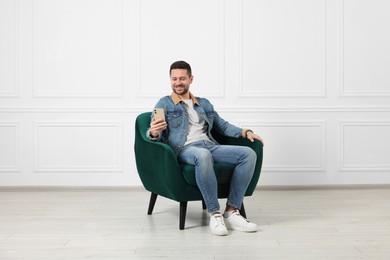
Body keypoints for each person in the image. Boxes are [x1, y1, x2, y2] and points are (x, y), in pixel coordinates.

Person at [146, 60, 264, 236]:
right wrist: (153, 133)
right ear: (170, 80)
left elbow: (222, 126)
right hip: (185, 149)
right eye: (174, 79)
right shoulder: (163, 104)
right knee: (202, 155)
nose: (178, 82)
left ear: (191, 79)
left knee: (248, 154)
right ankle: (214, 214)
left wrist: (244, 132)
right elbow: (155, 132)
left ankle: (232, 211)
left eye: (182, 78)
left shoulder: (204, 104)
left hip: (209, 146)